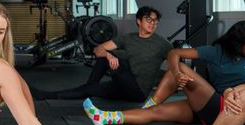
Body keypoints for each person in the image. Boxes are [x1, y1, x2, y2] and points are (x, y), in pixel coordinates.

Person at [84, 20, 245, 125]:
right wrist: (178, 74)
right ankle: (106, 117)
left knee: (179, 70)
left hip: (227, 111)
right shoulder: (216, 51)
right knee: (156, 111)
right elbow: (174, 53)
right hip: (209, 106)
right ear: (237, 42)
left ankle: (149, 103)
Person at [31, 6, 172, 102]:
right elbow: (98, 50)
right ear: (139, 21)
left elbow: (175, 62)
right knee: (92, 84)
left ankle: (88, 91)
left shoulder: (162, 44)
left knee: (112, 60)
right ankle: (45, 95)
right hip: (123, 83)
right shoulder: (127, 38)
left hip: (138, 91)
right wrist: (109, 55)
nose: (153, 23)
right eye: (149, 19)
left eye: (155, 21)